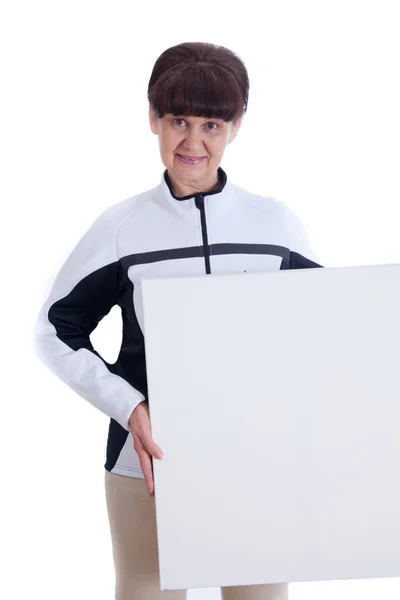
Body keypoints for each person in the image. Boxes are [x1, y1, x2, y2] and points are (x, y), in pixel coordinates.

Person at [34, 41, 322, 600]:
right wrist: (130, 407)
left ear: (237, 126)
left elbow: (319, 335)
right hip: (147, 462)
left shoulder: (277, 226)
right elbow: (54, 331)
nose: (193, 142)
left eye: (212, 124)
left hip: (255, 461)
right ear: (153, 119)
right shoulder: (122, 229)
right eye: (178, 120)